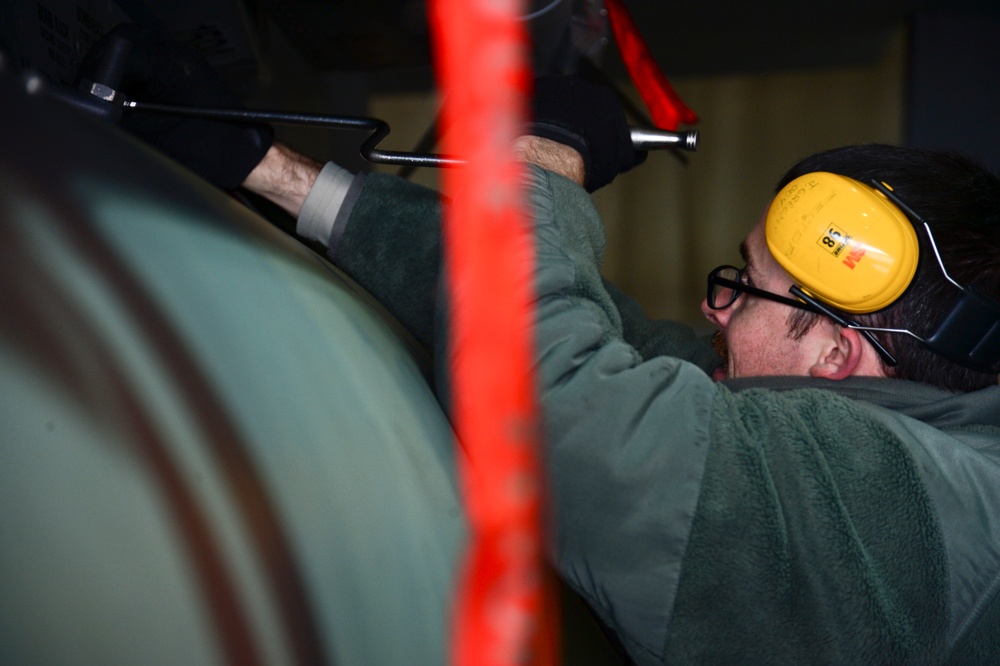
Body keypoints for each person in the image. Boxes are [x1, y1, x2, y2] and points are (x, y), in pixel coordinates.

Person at [81, 26, 1000, 664]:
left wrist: (540, 157)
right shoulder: (909, 423)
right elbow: (614, 338)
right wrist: (273, 173)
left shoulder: (924, 515)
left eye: (743, 287)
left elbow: (567, 407)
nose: (713, 308)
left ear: (836, 357)